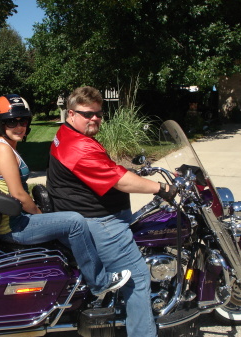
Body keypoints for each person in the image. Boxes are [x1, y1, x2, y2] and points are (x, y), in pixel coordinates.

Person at [46, 86, 177, 337]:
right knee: (138, 279)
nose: (94, 118)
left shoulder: (66, 135)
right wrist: (161, 188)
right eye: (87, 114)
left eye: (98, 113)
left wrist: (138, 173)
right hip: (100, 221)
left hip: (84, 214)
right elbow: (119, 181)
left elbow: (106, 169)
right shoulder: (79, 148)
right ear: (71, 114)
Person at [0, 94, 131, 297]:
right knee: (74, 221)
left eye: (23, 121)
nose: (19, 126)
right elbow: (18, 194)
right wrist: (38, 215)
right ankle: (99, 282)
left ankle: (76, 273)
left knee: (65, 219)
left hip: (16, 220)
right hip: (14, 226)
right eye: (11, 121)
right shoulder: (3, 150)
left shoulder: (5, 146)